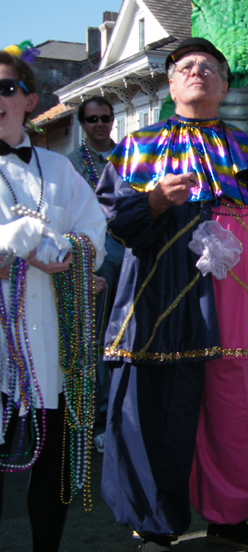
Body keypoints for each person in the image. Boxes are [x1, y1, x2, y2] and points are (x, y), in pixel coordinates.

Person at [96, 38, 248, 551]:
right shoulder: (135, 148)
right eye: (186, 67)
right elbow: (114, 226)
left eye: (210, 67)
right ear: (170, 84)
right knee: (156, 414)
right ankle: (154, 524)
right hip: (160, 302)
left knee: (240, 413)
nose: (198, 72)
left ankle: (230, 515)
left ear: (225, 85)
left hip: (237, 308)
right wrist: (152, 203)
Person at [0, 50, 107, 551]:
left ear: (29, 99)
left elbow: (92, 225)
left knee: (53, 471)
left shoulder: (58, 168)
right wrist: (20, 240)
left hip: (53, 354)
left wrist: (68, 247)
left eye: (5, 88)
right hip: (2, 355)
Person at [65, 95, 125, 451]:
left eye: (105, 118)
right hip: (95, 261)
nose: (99, 124)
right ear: (82, 123)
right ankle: (98, 420)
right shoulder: (70, 165)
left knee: (128, 334)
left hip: (132, 254)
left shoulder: (129, 156)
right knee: (97, 340)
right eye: (92, 119)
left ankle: (124, 416)